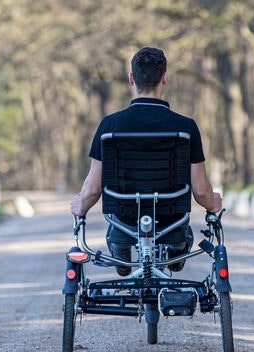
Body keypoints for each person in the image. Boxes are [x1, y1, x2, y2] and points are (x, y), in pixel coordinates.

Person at [70, 47, 222, 275]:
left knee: (118, 227)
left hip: (125, 217)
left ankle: (120, 245)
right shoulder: (186, 127)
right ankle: (176, 248)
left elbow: (93, 188)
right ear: (164, 79)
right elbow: (201, 191)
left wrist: (80, 207)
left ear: (131, 79)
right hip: (171, 216)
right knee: (180, 230)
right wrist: (213, 204)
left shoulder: (109, 126)